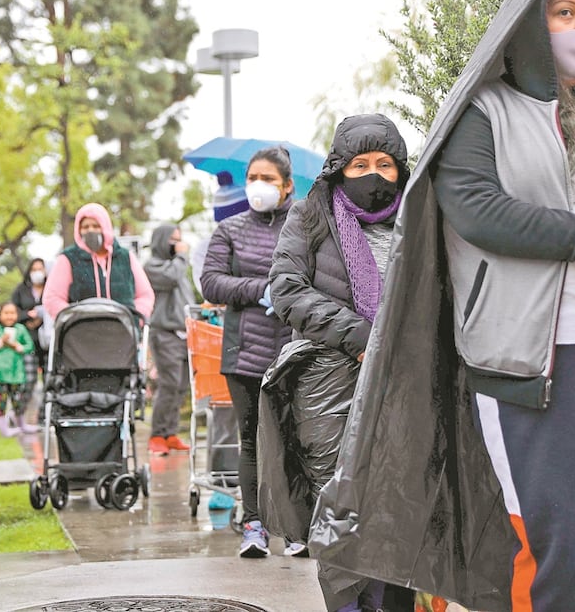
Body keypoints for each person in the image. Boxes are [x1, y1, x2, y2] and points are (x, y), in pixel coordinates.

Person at [309, 0, 575, 612]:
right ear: (528, 23)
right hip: (539, 367)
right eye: (564, 13)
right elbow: (475, 207)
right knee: (549, 548)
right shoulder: (485, 112)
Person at [266, 114, 415, 611]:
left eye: (384, 164)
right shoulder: (311, 213)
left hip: (404, 378)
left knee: (399, 506)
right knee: (342, 507)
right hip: (328, 380)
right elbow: (286, 291)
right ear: (339, 167)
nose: (373, 174)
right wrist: (359, 337)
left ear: (400, 169)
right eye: (360, 163)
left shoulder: (419, 216)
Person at [200, 146, 294, 558]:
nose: (258, 185)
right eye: (253, 177)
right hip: (244, 354)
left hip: (295, 349)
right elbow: (212, 283)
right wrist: (261, 290)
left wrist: (291, 295)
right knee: (252, 440)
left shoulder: (305, 227)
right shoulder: (230, 230)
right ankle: (254, 526)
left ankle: (296, 528)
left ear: (287, 186)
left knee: (295, 439)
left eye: (268, 178)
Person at [42, 203, 154, 325]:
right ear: (78, 230)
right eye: (85, 227)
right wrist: (73, 320)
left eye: (96, 226)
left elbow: (145, 295)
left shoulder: (125, 257)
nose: (90, 230)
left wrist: (134, 319)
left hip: (123, 334)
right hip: (81, 336)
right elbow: (52, 298)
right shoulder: (69, 258)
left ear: (105, 227)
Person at [143, 224, 195, 455]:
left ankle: (170, 433)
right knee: (169, 383)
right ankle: (157, 435)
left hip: (186, 334)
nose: (178, 243)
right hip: (165, 333)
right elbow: (172, 277)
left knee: (182, 386)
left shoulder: (179, 266)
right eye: (172, 239)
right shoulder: (152, 266)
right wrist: (182, 255)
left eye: (179, 239)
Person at [0, 302, 36, 437]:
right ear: (0, 315)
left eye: (12, 313)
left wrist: (19, 346)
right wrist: (0, 342)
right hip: (0, 373)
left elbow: (29, 346)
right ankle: (3, 427)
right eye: (6, 313)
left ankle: (21, 424)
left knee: (17, 400)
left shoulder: (20, 329)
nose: (9, 316)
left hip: (16, 372)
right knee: (2, 401)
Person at [11, 258, 48, 389]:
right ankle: (25, 407)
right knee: (29, 378)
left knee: (49, 377)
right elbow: (12, 312)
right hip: (28, 339)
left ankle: (46, 408)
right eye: (34, 270)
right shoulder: (21, 290)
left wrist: (42, 317)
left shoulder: (52, 287)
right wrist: (27, 316)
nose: (37, 272)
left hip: (48, 339)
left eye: (40, 269)